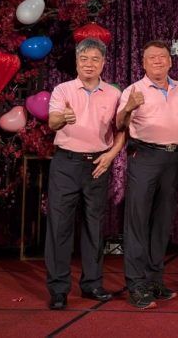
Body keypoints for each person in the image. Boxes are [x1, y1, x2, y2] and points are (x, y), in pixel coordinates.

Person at [44, 38, 125, 310]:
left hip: (98, 165)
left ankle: (92, 284)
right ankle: (58, 289)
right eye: (84, 59)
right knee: (59, 227)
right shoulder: (63, 89)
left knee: (94, 227)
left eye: (95, 59)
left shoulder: (113, 94)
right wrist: (63, 118)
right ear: (77, 63)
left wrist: (111, 155)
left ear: (103, 63)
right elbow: (52, 121)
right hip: (65, 164)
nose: (89, 64)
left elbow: (121, 130)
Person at [117, 40, 178, 309]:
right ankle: (135, 284)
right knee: (137, 222)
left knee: (162, 223)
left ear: (170, 61)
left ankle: (154, 279)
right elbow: (119, 125)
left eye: (162, 56)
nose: (158, 61)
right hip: (144, 157)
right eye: (152, 57)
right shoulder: (133, 90)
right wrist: (128, 107)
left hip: (174, 159)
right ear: (144, 63)